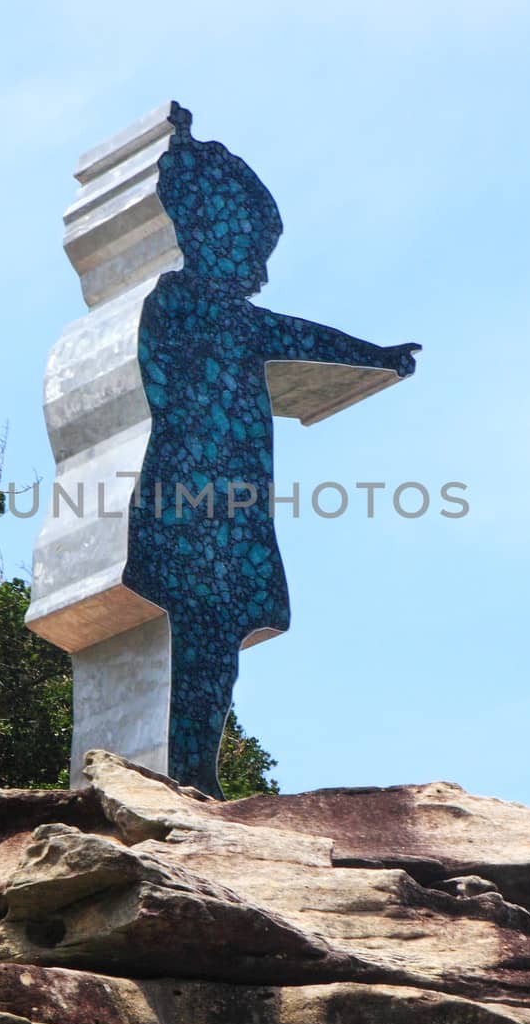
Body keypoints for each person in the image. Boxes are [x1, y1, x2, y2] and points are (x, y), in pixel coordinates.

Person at [123, 106, 418, 797]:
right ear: (203, 235)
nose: (259, 268)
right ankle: (181, 771)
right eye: (250, 249)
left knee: (217, 648)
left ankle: (194, 771)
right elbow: (280, 340)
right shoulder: (182, 305)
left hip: (231, 514)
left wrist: (375, 356)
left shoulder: (223, 315)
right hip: (189, 511)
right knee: (192, 642)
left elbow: (300, 337)